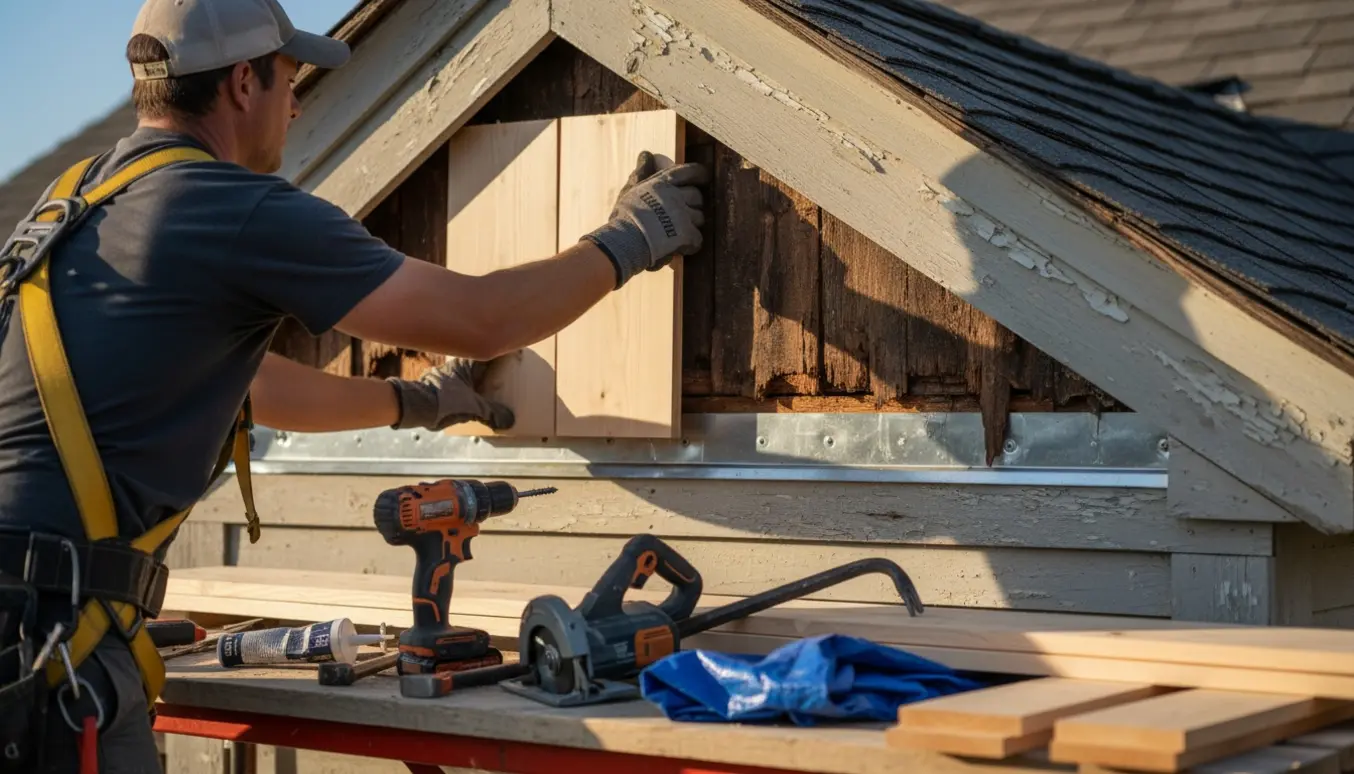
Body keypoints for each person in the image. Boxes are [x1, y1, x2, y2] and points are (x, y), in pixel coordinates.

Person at [0, 0, 709, 770]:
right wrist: (631, 240)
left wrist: (419, 403)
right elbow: (481, 318)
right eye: (289, 79)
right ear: (243, 83)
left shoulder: (76, 201)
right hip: (52, 652)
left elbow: (255, 388)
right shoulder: (229, 209)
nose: (298, 104)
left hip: (34, 621)